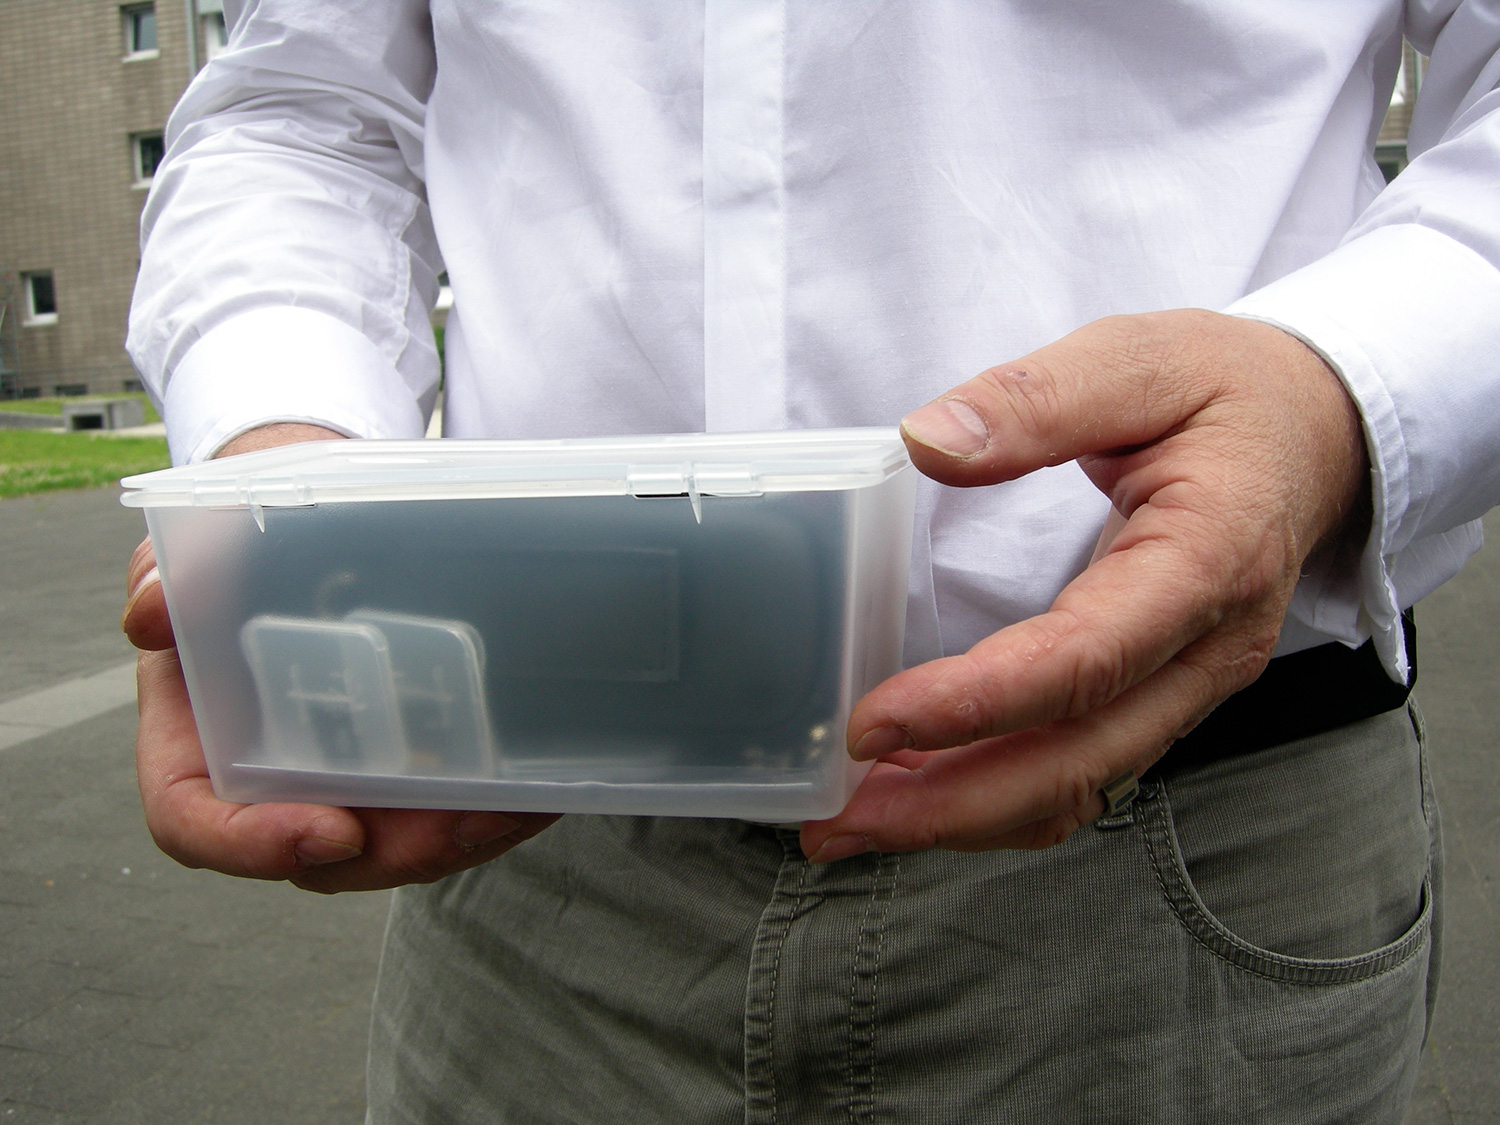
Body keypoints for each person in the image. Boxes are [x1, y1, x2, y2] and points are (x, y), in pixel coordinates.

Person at [121, 2, 1500, 1120]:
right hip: (531, 843)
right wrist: (278, 458)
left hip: (1193, 829)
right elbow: (303, 109)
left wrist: (1336, 392)